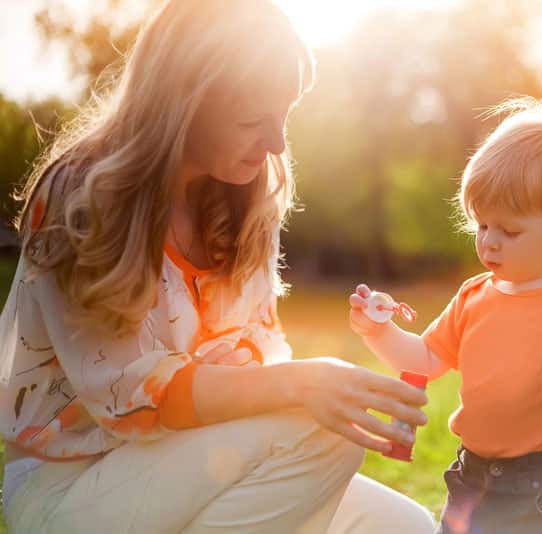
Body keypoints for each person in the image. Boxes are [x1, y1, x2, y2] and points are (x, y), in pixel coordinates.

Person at [0, 1, 437, 532]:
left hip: (195, 461)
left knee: (407, 526)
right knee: (319, 436)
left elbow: (254, 352)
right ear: (184, 103)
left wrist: (329, 388)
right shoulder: (85, 196)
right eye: (254, 120)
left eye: (286, 114)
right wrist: (305, 385)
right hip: (70, 483)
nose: (277, 141)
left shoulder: (248, 194)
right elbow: (130, 398)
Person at [349, 98, 542, 534]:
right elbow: (426, 360)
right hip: (474, 476)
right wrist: (378, 330)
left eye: (509, 231)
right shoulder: (474, 295)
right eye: (482, 226)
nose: (488, 243)